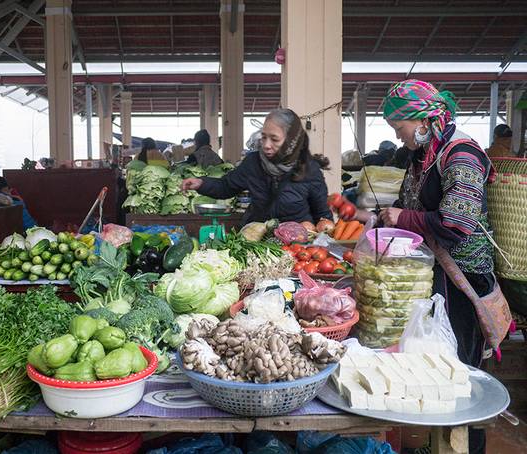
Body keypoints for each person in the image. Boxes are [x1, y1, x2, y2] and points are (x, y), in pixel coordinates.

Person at [352, 80, 495, 454]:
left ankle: (465, 447)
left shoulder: (461, 154)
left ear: (422, 120)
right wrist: (385, 219)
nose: (399, 139)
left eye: (399, 129)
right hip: (434, 278)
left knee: (460, 373)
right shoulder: (423, 155)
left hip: (463, 281)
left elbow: (456, 223)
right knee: (432, 368)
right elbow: (409, 205)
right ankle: (435, 443)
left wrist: (403, 216)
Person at [181, 108, 331, 225]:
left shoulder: (309, 169)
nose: (266, 145)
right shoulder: (253, 162)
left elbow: (323, 216)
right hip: (258, 240)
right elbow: (226, 186)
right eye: (264, 137)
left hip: (297, 246)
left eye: (274, 139)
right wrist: (201, 183)